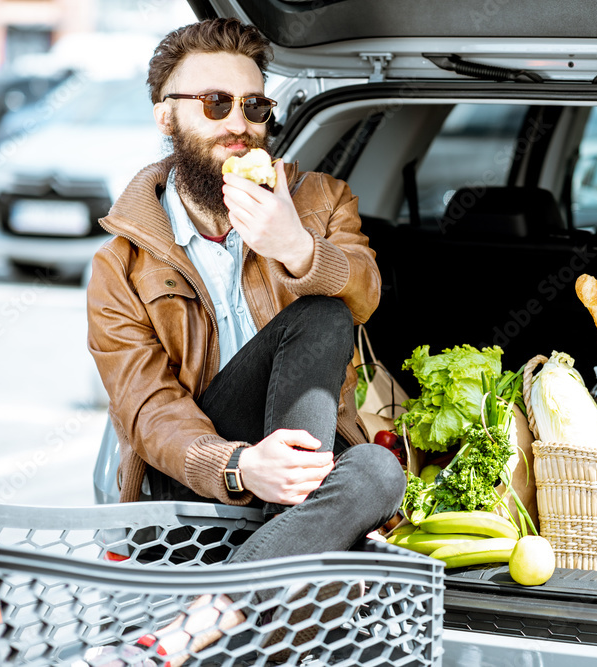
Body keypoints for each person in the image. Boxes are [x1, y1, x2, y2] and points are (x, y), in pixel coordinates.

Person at [83, 17, 405, 666]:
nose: (239, 123)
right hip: (192, 486)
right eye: (214, 103)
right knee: (322, 320)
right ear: (165, 119)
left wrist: (297, 246)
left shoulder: (317, 199)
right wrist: (237, 464)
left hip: (294, 471)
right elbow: (148, 413)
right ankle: (293, 572)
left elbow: (365, 289)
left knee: (377, 467)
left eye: (254, 105)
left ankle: (208, 614)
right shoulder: (118, 265)